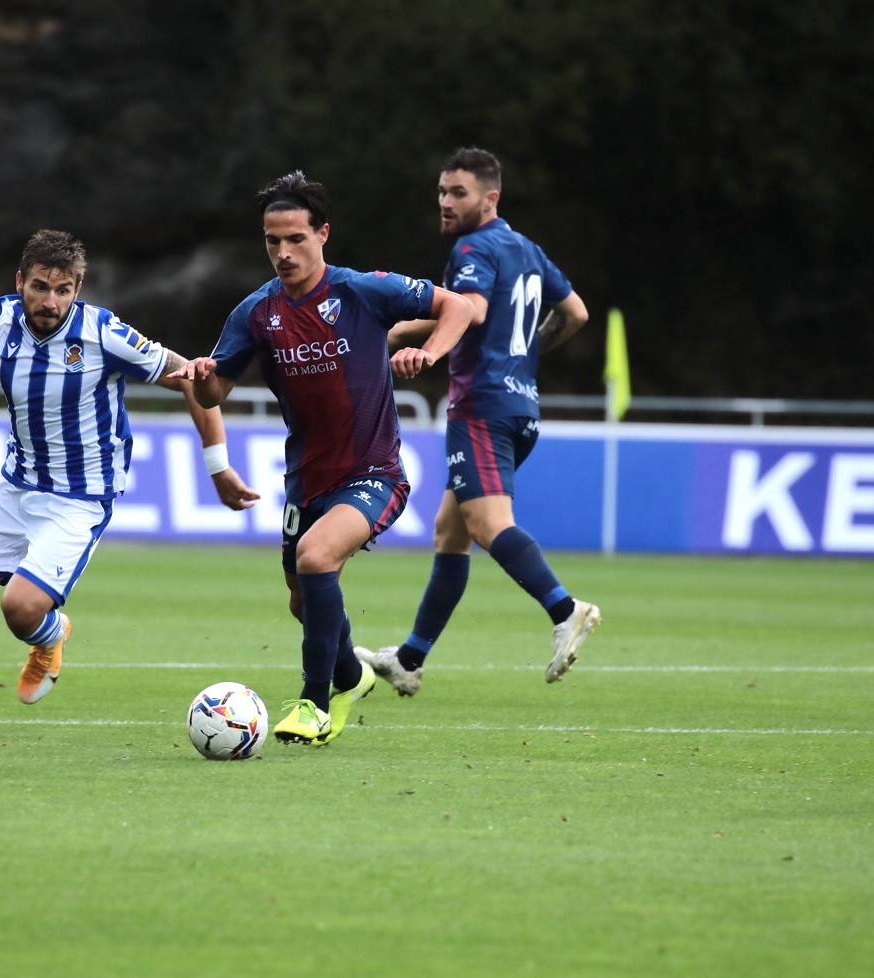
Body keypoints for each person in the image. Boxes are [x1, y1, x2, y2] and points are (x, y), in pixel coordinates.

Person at [0, 229, 258, 736]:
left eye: (63, 290)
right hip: (16, 483)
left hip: (80, 497)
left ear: (78, 288)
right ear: (20, 280)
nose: (50, 301)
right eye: (40, 287)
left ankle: (50, 635)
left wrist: (218, 466)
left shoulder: (103, 334)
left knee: (20, 608)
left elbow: (196, 381)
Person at [172, 171, 473, 745]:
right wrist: (205, 378)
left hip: (374, 473)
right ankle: (352, 676)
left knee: (315, 561)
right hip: (305, 479)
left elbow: (456, 306)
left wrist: (428, 352)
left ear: (323, 234)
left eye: (295, 239)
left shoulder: (363, 291)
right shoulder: (255, 314)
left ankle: (314, 704)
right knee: (301, 599)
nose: (282, 253)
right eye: (271, 241)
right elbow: (214, 394)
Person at [357, 146, 600, 696]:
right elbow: (576, 313)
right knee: (451, 531)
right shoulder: (528, 249)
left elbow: (471, 307)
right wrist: (525, 359)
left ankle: (567, 609)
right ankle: (410, 659)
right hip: (521, 408)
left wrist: (404, 331)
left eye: (458, 193)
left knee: (489, 526)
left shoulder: (475, 246)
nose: (445, 202)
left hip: (483, 409)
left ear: (490, 199)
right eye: (442, 191)